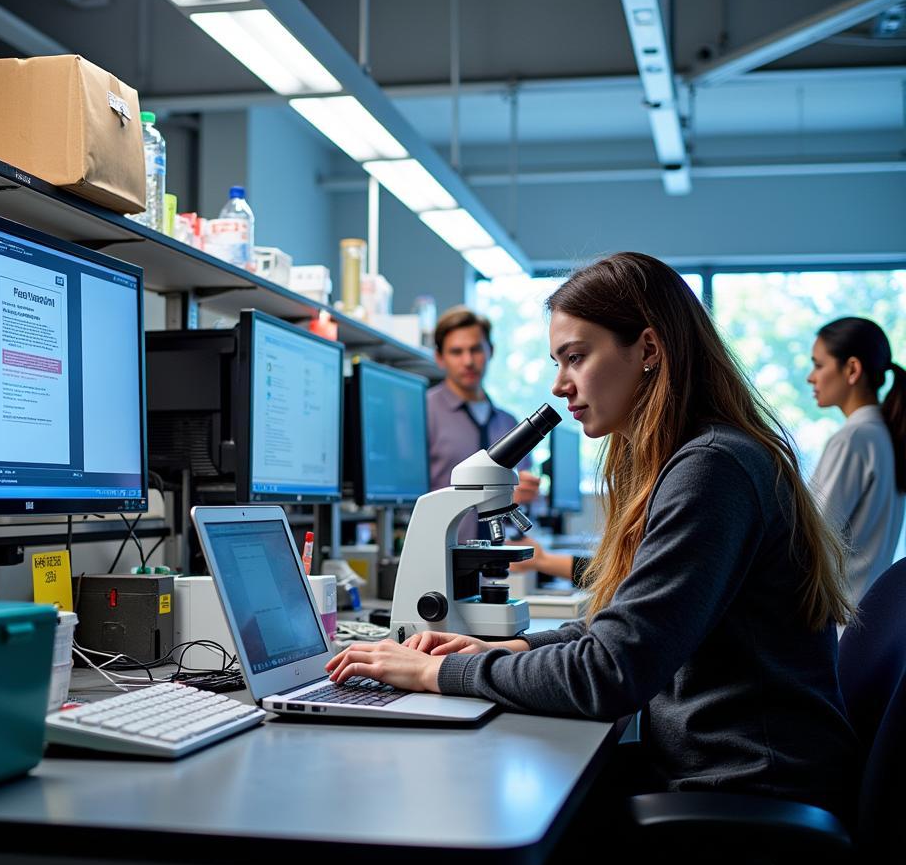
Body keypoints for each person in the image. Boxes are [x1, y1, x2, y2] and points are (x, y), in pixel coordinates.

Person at [329, 252, 857, 818]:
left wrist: (439, 672)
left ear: (649, 350)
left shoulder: (712, 468)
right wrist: (509, 647)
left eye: (576, 358)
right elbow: (623, 629)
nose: (560, 386)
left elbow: (610, 673)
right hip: (714, 769)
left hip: (743, 794)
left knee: (467, 808)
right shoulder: (702, 455)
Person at [427, 306, 576, 579]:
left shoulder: (509, 423)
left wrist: (527, 492)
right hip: (441, 559)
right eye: (456, 352)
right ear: (439, 358)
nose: (468, 361)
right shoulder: (425, 412)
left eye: (476, 349)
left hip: (498, 562)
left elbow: (524, 501)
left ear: (491, 351)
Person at [808, 316, 906, 606]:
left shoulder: (853, 440)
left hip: (838, 627)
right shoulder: (886, 435)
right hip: (866, 622)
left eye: (818, 364)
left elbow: (811, 545)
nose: (810, 377)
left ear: (852, 369)